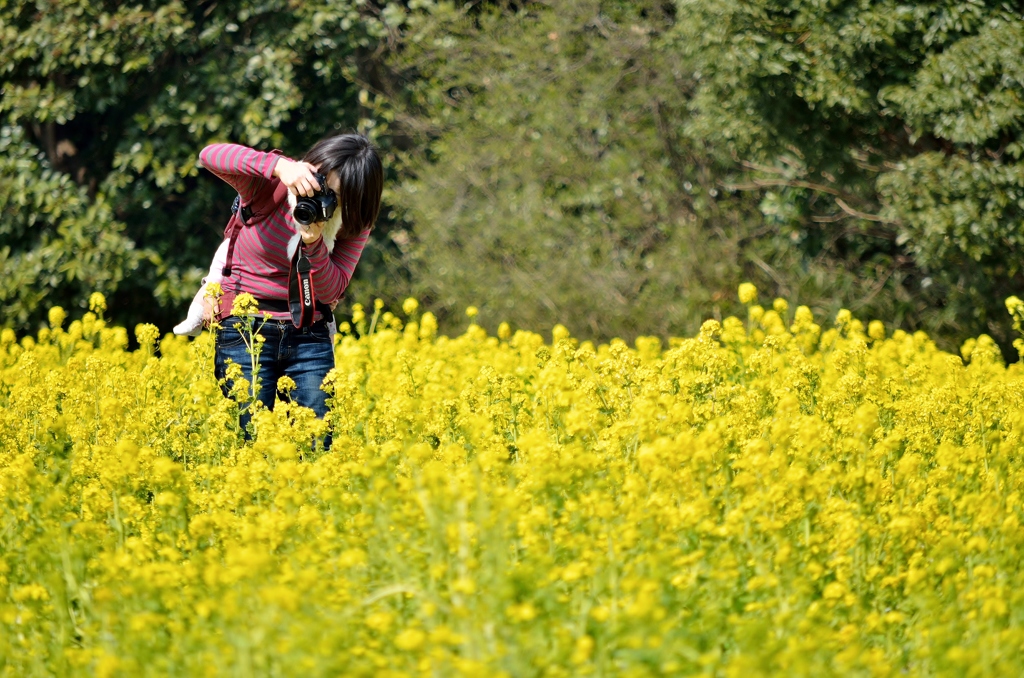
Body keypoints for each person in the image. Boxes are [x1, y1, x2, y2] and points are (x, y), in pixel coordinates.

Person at [180, 134, 383, 437]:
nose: (320, 199)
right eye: (320, 184)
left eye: (336, 198)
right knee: (249, 441)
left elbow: (331, 292)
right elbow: (210, 155)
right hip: (244, 328)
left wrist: (313, 243)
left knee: (315, 442)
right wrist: (277, 166)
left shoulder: (352, 222)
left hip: (308, 333)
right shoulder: (271, 187)